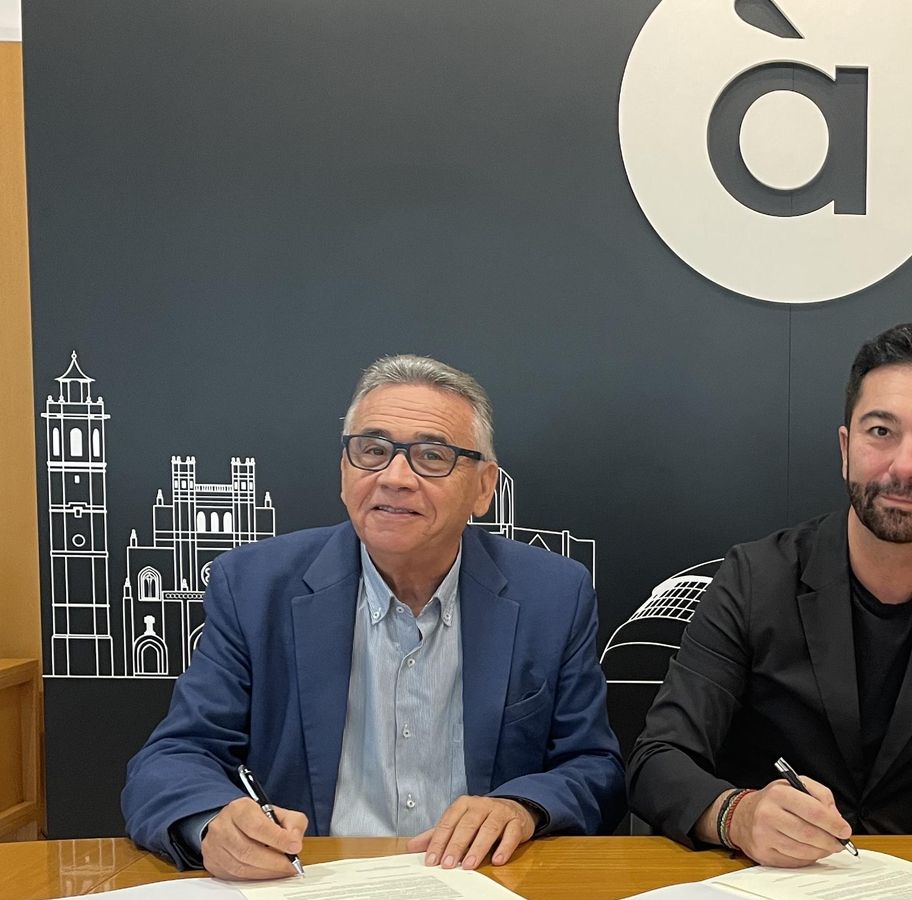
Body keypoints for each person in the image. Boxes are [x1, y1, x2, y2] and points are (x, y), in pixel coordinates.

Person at [123, 354, 624, 879]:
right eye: (373, 451)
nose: (395, 477)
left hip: (479, 881)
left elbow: (593, 768)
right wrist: (210, 825)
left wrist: (523, 807)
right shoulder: (254, 587)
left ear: (483, 487)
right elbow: (171, 759)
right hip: (310, 882)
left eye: (432, 456)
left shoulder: (552, 594)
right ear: (345, 471)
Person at [629, 322, 912, 899]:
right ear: (846, 449)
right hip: (768, 883)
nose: (904, 466)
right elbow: (658, 758)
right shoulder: (753, 577)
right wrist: (735, 814)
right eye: (881, 431)